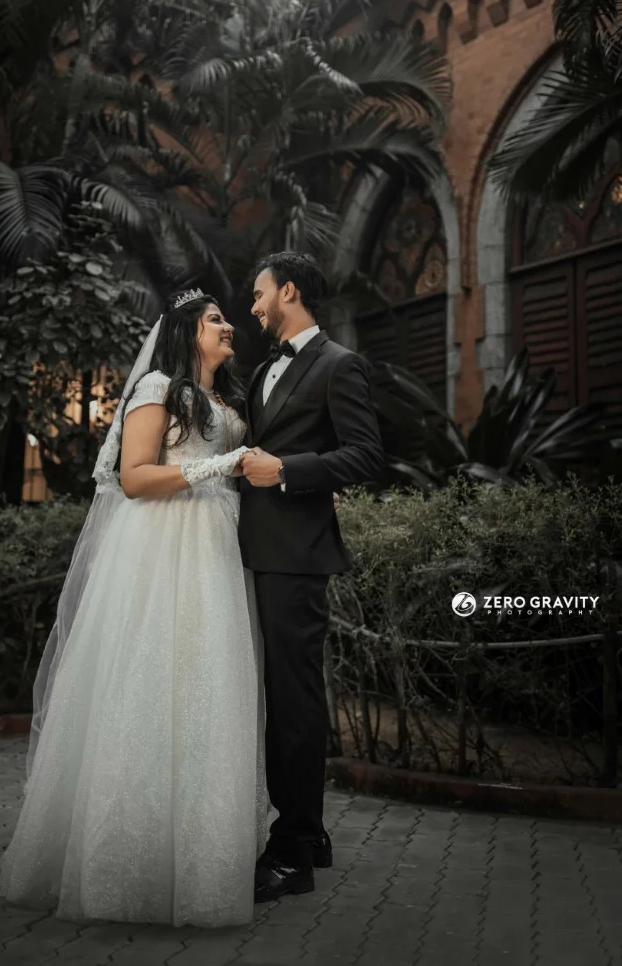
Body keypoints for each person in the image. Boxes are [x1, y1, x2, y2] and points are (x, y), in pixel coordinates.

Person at [0, 290, 266, 927]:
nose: (228, 326)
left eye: (227, 317)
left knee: (207, 688)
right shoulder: (156, 388)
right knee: (148, 682)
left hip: (219, 550)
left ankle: (201, 861)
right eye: (215, 320)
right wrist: (220, 465)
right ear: (186, 331)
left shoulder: (231, 400)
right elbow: (135, 477)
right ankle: (124, 865)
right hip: (164, 546)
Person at [238, 251, 384, 903]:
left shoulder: (339, 364)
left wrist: (290, 472)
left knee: (294, 702)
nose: (253, 306)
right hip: (256, 551)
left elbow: (366, 455)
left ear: (289, 291)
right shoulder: (263, 368)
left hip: (297, 556)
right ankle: (314, 833)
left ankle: (293, 849)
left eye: (259, 294)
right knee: (281, 697)